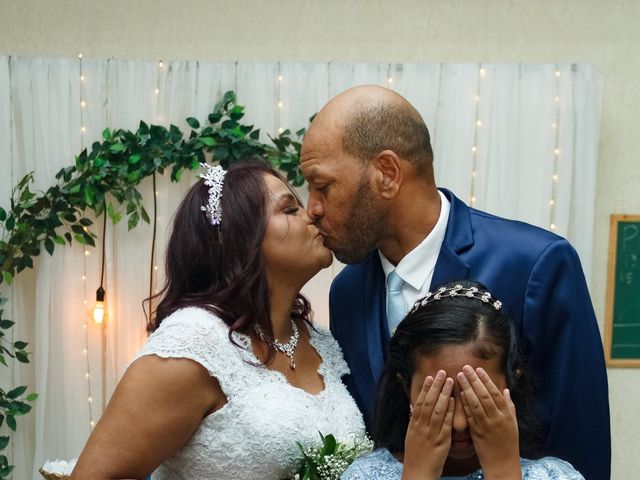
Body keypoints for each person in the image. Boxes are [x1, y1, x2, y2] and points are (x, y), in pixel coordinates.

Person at [300, 85, 610, 480]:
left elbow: (580, 438)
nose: (313, 208)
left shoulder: (536, 264)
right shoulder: (346, 291)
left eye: (322, 185)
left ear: (388, 174)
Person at [71, 161, 366, 479]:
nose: (311, 215)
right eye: (289, 209)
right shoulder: (194, 342)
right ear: (241, 240)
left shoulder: (321, 341)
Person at [342, 280, 584, 480]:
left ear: (511, 383)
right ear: (406, 387)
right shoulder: (365, 475)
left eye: (477, 396)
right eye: (440, 397)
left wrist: (502, 470)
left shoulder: (554, 475)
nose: (458, 423)